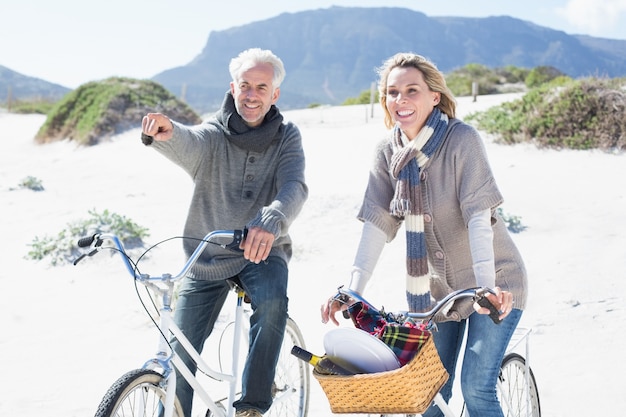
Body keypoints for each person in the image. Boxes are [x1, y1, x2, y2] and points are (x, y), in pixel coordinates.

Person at [320, 52, 527, 417]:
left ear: (434, 96)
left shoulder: (462, 141)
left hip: (495, 282)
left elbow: (479, 220)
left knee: (476, 389)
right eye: (392, 92)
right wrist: (352, 290)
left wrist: (487, 287)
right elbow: (376, 225)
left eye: (411, 90)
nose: (401, 100)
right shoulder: (387, 153)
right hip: (437, 297)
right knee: (427, 396)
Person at [141, 48, 308, 417]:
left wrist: (270, 220)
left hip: (262, 251)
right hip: (209, 252)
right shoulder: (214, 135)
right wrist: (168, 133)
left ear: (274, 94)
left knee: (272, 303)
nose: (251, 94)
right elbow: (190, 141)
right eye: (245, 86)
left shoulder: (286, 137)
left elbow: (294, 186)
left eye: (261, 87)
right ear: (233, 88)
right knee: (179, 350)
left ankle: (252, 405)